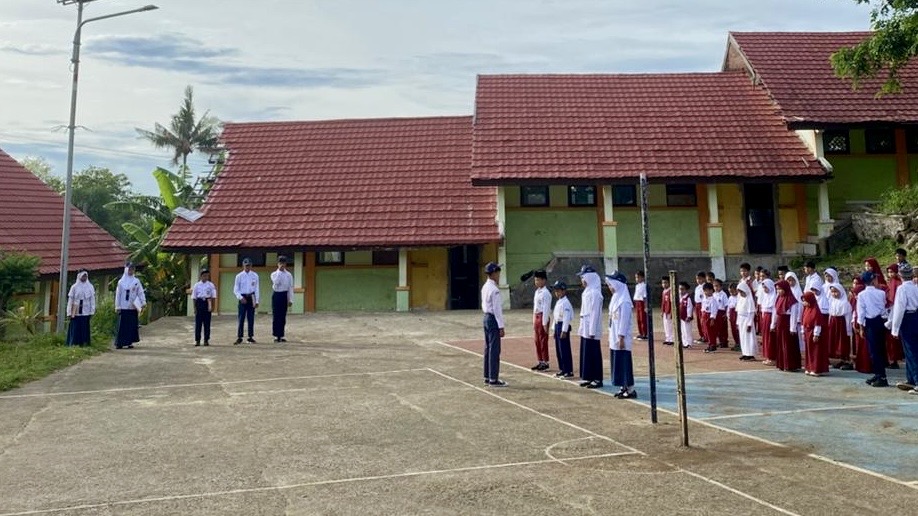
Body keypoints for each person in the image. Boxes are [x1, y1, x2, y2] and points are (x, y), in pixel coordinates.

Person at [888, 264, 918, 394]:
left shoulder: (902, 289)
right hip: (916, 316)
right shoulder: (916, 287)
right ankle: (911, 379)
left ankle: (916, 380)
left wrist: (894, 329)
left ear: (900, 275)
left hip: (907, 319)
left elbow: (899, 309)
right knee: (912, 350)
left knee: (910, 351)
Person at [606, 272, 636, 399]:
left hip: (621, 337)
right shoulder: (616, 297)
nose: (610, 287)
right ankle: (622, 387)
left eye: (611, 284)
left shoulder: (624, 301)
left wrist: (621, 336)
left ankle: (630, 389)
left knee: (624, 363)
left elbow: (624, 321)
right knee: (617, 362)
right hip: (614, 336)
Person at [857, 271, 889, 387]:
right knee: (879, 349)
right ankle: (878, 374)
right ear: (872, 281)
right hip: (880, 321)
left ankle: (881, 376)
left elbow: (861, 312)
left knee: (874, 351)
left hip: (870, 323)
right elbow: (883, 306)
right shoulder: (881, 293)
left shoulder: (861, 295)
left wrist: (861, 326)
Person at [577, 265, 604, 389]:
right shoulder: (587, 292)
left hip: (592, 329)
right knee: (586, 353)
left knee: (594, 353)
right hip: (586, 328)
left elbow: (594, 313)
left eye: (583, 277)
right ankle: (588, 376)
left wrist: (592, 330)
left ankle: (597, 378)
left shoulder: (595, 293)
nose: (582, 280)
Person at [481, 262, 507, 387]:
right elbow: (497, 310)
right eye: (498, 273)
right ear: (494, 273)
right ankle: (493, 378)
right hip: (492, 319)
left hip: (486, 317)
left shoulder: (485, 287)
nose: (499, 275)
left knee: (487, 348)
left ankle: (487, 375)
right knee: (494, 349)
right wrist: (501, 326)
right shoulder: (495, 290)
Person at [771, 280, 801, 372]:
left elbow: (794, 315)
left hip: (787, 324)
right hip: (780, 324)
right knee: (781, 344)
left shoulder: (792, 300)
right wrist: (773, 324)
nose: (778, 291)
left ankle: (791, 365)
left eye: (780, 289)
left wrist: (792, 327)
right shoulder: (778, 299)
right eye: (777, 289)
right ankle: (782, 364)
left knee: (788, 345)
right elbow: (775, 312)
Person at [114, 262, 146, 349]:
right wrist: (117, 306)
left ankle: (129, 342)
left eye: (133, 269)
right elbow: (118, 295)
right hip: (123, 306)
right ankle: (119, 343)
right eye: (130, 269)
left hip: (133, 306)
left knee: (131, 325)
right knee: (122, 325)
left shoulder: (136, 281)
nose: (131, 271)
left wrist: (143, 302)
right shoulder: (121, 282)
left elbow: (140, 292)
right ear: (126, 270)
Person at [801, 289, 829, 376]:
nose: (804, 303)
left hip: (813, 333)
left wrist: (816, 334)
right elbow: (803, 321)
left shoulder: (815, 310)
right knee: (808, 351)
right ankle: (809, 367)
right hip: (807, 332)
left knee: (815, 351)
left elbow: (817, 323)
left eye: (805, 301)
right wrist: (802, 332)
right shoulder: (806, 310)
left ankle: (816, 368)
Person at [826, 282, 853, 370]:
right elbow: (830, 314)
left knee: (842, 342)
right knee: (834, 341)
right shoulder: (831, 301)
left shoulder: (845, 303)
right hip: (833, 323)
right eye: (832, 292)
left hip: (842, 324)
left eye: (836, 292)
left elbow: (848, 317)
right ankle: (838, 360)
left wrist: (848, 329)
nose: (834, 294)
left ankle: (845, 360)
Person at [233, 258, 260, 345]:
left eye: (249, 265)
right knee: (241, 318)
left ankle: (250, 337)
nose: (247, 267)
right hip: (243, 297)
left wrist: (257, 301)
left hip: (251, 296)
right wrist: (240, 297)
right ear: (243, 266)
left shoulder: (255, 276)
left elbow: (256, 289)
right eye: (246, 265)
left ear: (251, 265)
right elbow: (236, 289)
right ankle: (239, 337)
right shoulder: (239, 276)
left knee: (251, 317)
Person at [551, 280, 574, 378]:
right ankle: (562, 369)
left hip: (562, 326)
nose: (557, 293)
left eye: (559, 290)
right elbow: (556, 316)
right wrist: (554, 329)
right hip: (557, 325)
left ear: (564, 291)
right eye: (556, 291)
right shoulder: (559, 302)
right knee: (559, 350)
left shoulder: (566, 303)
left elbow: (566, 318)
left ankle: (568, 370)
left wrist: (564, 330)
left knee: (564, 350)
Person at [66, 269, 95, 347]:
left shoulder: (90, 286)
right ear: (79, 277)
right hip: (76, 310)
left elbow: (92, 299)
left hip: (86, 309)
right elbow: (70, 299)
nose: (84, 278)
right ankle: (74, 343)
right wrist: (69, 312)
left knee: (85, 327)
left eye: (86, 276)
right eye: (83, 276)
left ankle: (85, 343)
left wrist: (92, 311)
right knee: (75, 327)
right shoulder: (74, 287)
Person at [850, 277, 873, 374]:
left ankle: (866, 366)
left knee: (865, 348)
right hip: (857, 327)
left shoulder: (864, 301)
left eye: (856, 294)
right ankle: (860, 365)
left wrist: (861, 327)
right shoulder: (856, 301)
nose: (855, 296)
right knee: (859, 347)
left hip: (863, 327)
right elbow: (854, 313)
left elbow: (862, 314)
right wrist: (853, 324)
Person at [531, 270, 552, 371]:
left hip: (543, 316)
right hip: (537, 316)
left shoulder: (546, 293)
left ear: (544, 280)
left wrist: (544, 323)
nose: (536, 282)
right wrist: (533, 320)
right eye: (535, 280)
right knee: (537, 340)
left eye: (538, 280)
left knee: (543, 340)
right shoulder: (537, 292)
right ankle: (540, 360)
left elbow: (546, 309)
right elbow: (535, 307)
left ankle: (545, 361)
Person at [270, 256, 294, 343]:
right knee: (276, 315)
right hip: (277, 294)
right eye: (280, 263)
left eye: (283, 263)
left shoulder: (289, 275)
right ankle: (276, 335)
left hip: (284, 295)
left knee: (283, 316)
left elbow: (290, 288)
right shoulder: (274, 274)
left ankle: (281, 334)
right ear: (278, 264)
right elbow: (276, 283)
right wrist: (279, 272)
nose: (282, 265)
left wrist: (290, 299)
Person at [191, 268, 216, 347]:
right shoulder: (197, 285)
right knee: (198, 323)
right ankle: (197, 340)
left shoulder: (211, 285)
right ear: (201, 276)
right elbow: (194, 297)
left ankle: (206, 340)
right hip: (199, 303)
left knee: (207, 323)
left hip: (207, 302)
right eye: (204, 275)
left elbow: (213, 297)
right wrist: (195, 308)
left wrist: (213, 306)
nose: (205, 277)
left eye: (207, 275)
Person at [885, 264, 904, 369]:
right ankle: (891, 359)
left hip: (895, 310)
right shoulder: (890, 282)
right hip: (889, 310)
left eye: (892, 272)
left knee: (894, 338)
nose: (890, 274)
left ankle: (895, 360)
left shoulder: (898, 283)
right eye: (889, 272)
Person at [735, 281, 757, 361]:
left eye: (742, 291)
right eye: (739, 292)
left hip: (747, 321)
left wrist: (749, 324)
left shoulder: (749, 300)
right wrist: (737, 323)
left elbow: (751, 313)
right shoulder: (740, 299)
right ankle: (745, 353)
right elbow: (738, 312)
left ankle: (750, 354)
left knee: (749, 337)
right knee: (743, 337)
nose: (740, 293)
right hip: (741, 320)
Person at [759, 277, 777, 365]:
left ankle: (772, 357)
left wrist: (773, 324)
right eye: (763, 288)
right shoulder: (765, 296)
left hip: (770, 318)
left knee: (771, 339)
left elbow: (774, 311)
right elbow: (763, 309)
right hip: (765, 318)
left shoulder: (774, 297)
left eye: (766, 287)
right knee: (765, 338)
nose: (764, 289)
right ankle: (768, 356)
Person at [702, 282, 718, 353]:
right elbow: (703, 308)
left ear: (711, 290)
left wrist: (712, 319)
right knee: (707, 331)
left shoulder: (713, 300)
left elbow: (714, 310)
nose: (706, 292)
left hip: (710, 316)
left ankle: (713, 345)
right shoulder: (705, 298)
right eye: (705, 290)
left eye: (707, 290)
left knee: (711, 332)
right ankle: (710, 344)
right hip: (705, 315)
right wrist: (702, 317)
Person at [677, 281, 694, 348]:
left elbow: (690, 307)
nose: (681, 291)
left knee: (687, 331)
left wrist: (689, 316)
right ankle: (684, 342)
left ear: (686, 290)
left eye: (682, 289)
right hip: (681, 317)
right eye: (680, 289)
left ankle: (689, 343)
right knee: (683, 331)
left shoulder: (688, 298)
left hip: (686, 318)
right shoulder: (680, 298)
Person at [713, 279, 729, 348]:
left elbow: (726, 305)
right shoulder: (713, 294)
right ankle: (720, 341)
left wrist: (726, 313)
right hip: (715, 312)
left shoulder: (723, 294)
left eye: (717, 286)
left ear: (721, 286)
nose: (716, 288)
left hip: (722, 312)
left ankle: (724, 341)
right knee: (717, 328)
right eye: (714, 286)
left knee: (723, 328)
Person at [633, 270, 648, 340]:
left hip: (642, 302)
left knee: (643, 319)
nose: (637, 279)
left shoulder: (644, 285)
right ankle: (640, 333)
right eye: (636, 278)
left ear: (642, 278)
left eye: (638, 277)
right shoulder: (637, 286)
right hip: (637, 302)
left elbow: (645, 296)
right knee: (638, 318)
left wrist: (645, 306)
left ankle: (645, 334)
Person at [693, 271, 707, 344]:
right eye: (697, 279)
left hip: (702, 304)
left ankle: (705, 336)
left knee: (703, 321)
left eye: (700, 279)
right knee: (698, 321)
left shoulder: (705, 287)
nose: (698, 280)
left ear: (704, 279)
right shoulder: (697, 288)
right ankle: (701, 335)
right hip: (697, 305)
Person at [660, 276, 674, 346]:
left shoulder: (671, 291)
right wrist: (662, 311)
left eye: (665, 283)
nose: (664, 284)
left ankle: (672, 339)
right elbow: (663, 302)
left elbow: (672, 302)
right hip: (665, 311)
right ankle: (667, 338)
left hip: (669, 311)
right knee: (666, 325)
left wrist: (672, 312)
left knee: (670, 325)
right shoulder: (663, 291)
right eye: (663, 283)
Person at [727, 283, 740, 351]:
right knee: (733, 330)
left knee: (738, 329)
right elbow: (728, 307)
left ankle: (740, 343)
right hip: (732, 314)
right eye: (730, 292)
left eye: (733, 291)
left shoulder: (739, 297)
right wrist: (728, 315)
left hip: (737, 314)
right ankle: (737, 343)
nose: (731, 293)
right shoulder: (730, 297)